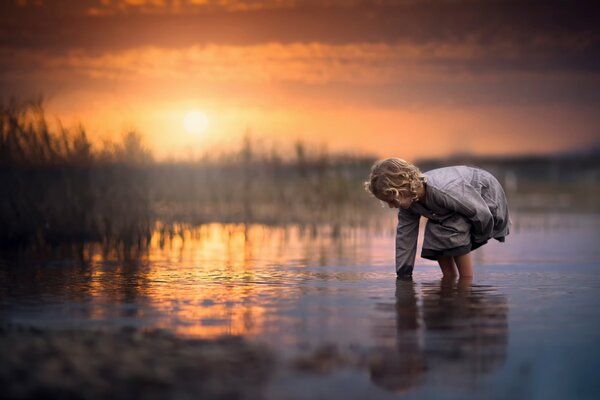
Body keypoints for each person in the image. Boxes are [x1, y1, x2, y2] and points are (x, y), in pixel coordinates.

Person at [364, 158, 511, 278]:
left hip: (485, 196)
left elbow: (480, 213)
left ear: (402, 186)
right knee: (434, 233)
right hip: (461, 207)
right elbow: (405, 237)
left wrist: (478, 237)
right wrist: (404, 274)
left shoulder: (444, 191)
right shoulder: (408, 203)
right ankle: (449, 281)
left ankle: (466, 283)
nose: (391, 206)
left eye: (391, 200)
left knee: (454, 229)